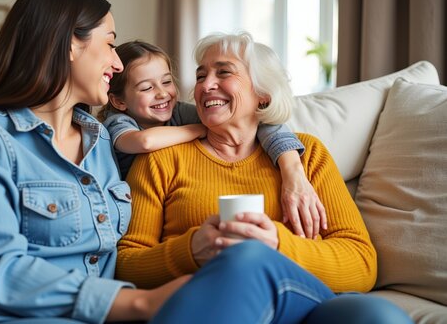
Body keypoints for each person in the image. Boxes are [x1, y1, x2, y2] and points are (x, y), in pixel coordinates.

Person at [0, 0, 191, 323]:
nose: (117, 64)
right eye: (110, 44)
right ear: (71, 43)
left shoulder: (99, 139)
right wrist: (138, 303)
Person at [116, 32, 413, 323]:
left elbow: (361, 263)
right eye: (201, 76)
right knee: (244, 259)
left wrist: (277, 245)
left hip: (303, 301)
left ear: (262, 96)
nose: (206, 85)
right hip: (212, 298)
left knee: (379, 316)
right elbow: (126, 264)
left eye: (224, 73)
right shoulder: (161, 159)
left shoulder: (306, 156)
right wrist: (192, 248)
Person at [97, 40, 326, 238]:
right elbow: (144, 142)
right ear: (118, 101)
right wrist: (202, 129)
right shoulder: (117, 122)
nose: (162, 93)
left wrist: (291, 166)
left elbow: (261, 122)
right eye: (146, 87)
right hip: (117, 212)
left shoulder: (177, 111)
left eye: (167, 82)